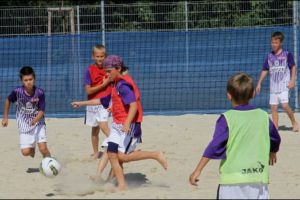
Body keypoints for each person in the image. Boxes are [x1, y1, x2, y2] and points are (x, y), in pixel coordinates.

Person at [72, 55, 168, 190]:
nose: (106, 74)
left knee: (122, 157)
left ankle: (156, 155)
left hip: (129, 126)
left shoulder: (123, 85)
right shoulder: (115, 84)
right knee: (111, 152)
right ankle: (122, 185)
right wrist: (81, 103)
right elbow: (101, 100)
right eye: (105, 71)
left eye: (109, 71)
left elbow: (133, 106)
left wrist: (127, 123)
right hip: (118, 125)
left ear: (118, 68)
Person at [189, 72, 281, 199]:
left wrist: (198, 169)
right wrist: (273, 151)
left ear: (229, 95)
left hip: (231, 182)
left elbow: (215, 146)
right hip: (258, 179)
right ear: (253, 93)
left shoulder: (226, 118)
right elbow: (276, 138)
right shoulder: (263, 116)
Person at [2, 66, 51, 159]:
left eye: (30, 79)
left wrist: (35, 120)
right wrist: (5, 117)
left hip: (38, 122)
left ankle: (51, 163)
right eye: (26, 80)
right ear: (22, 81)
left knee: (43, 148)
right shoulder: (17, 92)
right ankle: (32, 148)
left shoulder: (40, 92)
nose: (28, 82)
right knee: (26, 152)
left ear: (34, 79)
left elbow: (42, 110)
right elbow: (8, 100)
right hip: (24, 123)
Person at [256, 31, 298, 132]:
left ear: (280, 43)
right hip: (273, 87)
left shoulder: (287, 54)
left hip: (284, 85)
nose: (273, 44)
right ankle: (275, 128)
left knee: (284, 105)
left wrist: (292, 80)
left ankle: (294, 122)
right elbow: (265, 70)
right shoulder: (269, 56)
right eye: (272, 42)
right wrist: (259, 83)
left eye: (276, 42)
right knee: (273, 108)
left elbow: (293, 67)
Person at [84, 44, 112, 159]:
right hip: (92, 103)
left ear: (105, 56)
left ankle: (119, 146)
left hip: (104, 102)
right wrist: (103, 84)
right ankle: (96, 153)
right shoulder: (89, 70)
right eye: (97, 56)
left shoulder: (109, 69)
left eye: (102, 56)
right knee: (95, 129)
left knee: (104, 126)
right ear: (93, 56)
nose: (100, 59)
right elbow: (89, 90)